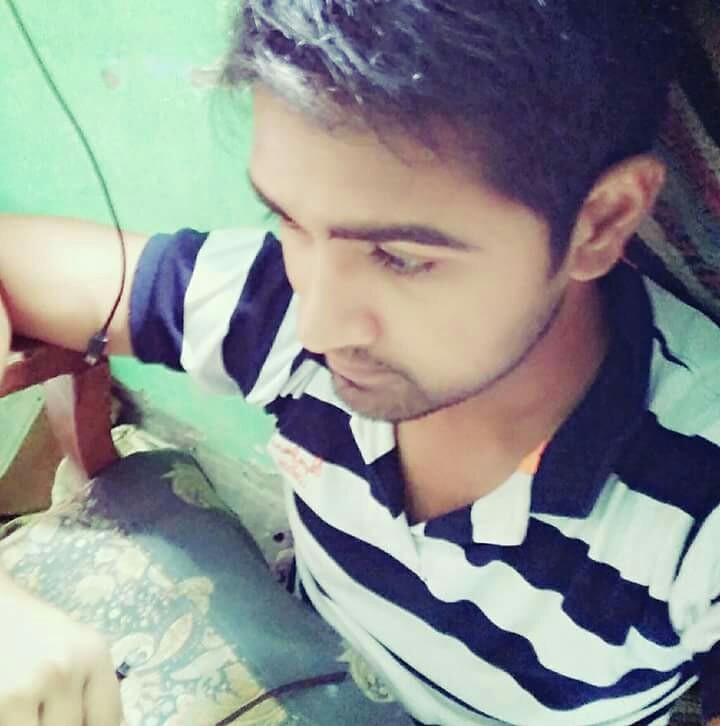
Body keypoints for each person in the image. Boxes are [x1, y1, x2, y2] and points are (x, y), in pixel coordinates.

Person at [1, 2, 719, 725]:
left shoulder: (699, 500)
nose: (317, 326)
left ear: (600, 222)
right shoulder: (277, 304)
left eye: (401, 258)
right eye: (288, 218)